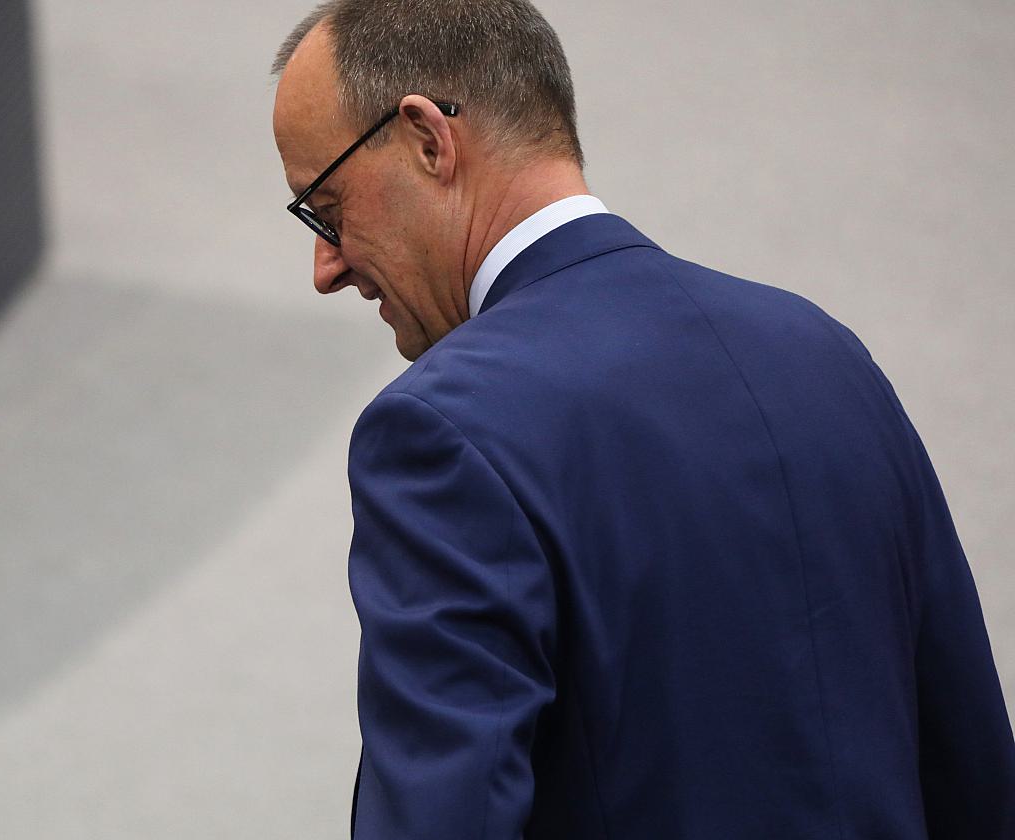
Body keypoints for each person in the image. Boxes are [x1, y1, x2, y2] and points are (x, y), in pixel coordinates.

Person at [270, 2, 1015, 837]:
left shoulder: (443, 430)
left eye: (325, 208)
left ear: (427, 139)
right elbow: (974, 771)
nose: (326, 267)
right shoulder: (827, 357)